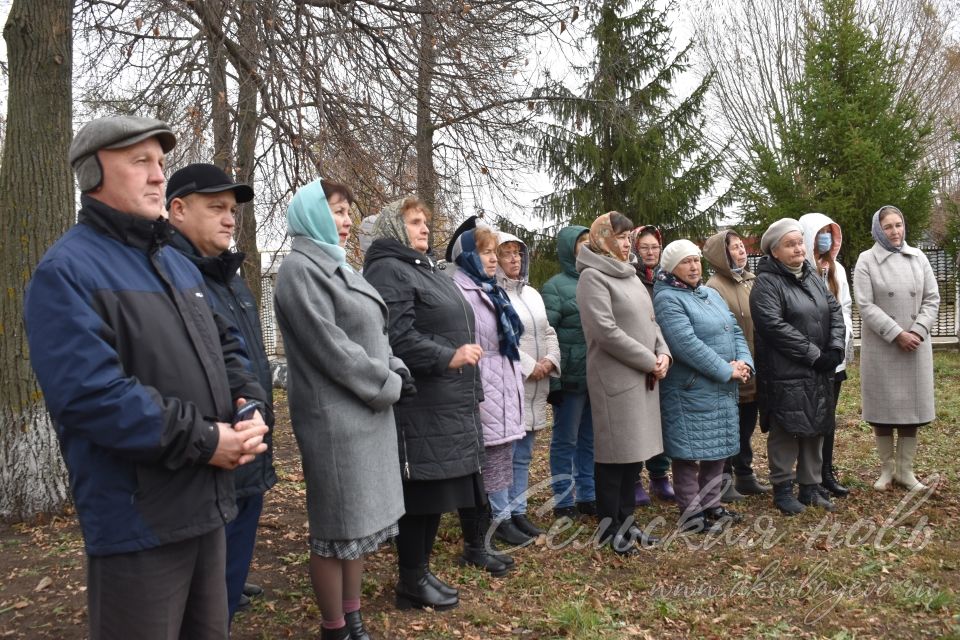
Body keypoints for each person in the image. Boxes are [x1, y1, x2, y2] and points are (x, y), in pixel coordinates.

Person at [24, 116, 269, 639]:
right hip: (138, 523)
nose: (159, 176)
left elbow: (227, 347)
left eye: (160, 162)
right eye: (140, 162)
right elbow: (92, 397)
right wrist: (205, 440)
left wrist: (247, 404)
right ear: (93, 174)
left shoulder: (176, 265)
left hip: (207, 505)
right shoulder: (66, 271)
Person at [274, 179, 408, 640]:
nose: (347, 220)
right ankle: (334, 627)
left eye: (350, 211)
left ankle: (353, 617)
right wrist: (386, 382)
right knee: (335, 531)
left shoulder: (340, 266)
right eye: (336, 210)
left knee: (359, 529)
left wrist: (395, 364)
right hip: (336, 420)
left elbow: (373, 330)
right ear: (311, 214)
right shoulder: (299, 270)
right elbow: (332, 348)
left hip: (366, 414)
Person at [166, 162, 278, 620]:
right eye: (216, 207)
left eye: (232, 209)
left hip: (249, 451)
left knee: (225, 586)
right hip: (209, 459)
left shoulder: (228, 276)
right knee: (201, 605)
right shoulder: (170, 276)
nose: (230, 218)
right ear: (177, 209)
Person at [363, 197, 487, 608]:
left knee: (435, 493)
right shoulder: (388, 269)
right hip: (422, 401)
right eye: (414, 222)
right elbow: (394, 336)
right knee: (422, 495)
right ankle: (411, 581)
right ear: (394, 229)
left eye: (425, 223)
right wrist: (446, 356)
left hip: (448, 399)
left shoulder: (423, 267)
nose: (424, 229)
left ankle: (419, 574)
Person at [576, 211, 671, 554]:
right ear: (602, 237)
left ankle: (628, 523)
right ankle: (609, 527)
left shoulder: (628, 273)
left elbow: (651, 321)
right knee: (613, 456)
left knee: (633, 455)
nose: (626, 242)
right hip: (615, 378)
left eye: (628, 235)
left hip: (643, 375)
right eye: (619, 236)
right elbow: (606, 332)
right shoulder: (593, 277)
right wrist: (649, 359)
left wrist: (663, 354)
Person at [654, 240, 754, 533]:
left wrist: (744, 362)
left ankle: (712, 505)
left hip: (721, 386)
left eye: (696, 260)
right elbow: (685, 344)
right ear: (672, 267)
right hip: (690, 388)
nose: (694, 266)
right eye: (686, 262)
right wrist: (727, 370)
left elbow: (734, 329)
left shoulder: (709, 294)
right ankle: (691, 512)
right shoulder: (668, 298)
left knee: (717, 450)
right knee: (688, 454)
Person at [750, 218, 846, 515]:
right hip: (785, 372)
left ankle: (810, 487)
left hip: (817, 369)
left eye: (799, 242)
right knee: (786, 429)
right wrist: (813, 354)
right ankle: (782, 488)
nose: (798, 249)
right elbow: (774, 327)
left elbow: (835, 310)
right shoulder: (766, 283)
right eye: (789, 245)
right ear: (774, 252)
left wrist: (835, 348)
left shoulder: (812, 276)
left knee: (816, 424)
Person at [449, 227, 528, 548]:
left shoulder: (490, 288)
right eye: (485, 252)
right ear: (467, 255)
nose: (494, 258)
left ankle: (503, 517)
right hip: (482, 381)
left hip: (503, 378)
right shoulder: (461, 291)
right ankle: (493, 522)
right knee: (489, 457)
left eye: (495, 251)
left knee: (503, 455)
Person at [853, 205, 940, 492]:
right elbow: (864, 304)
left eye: (898, 224)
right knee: (883, 408)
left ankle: (906, 470)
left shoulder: (919, 257)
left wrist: (917, 330)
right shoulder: (867, 260)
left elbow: (932, 298)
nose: (895, 231)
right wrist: (896, 333)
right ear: (879, 229)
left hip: (915, 345)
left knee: (910, 410)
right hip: (883, 346)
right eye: (888, 226)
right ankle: (886, 469)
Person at [496, 232, 561, 539]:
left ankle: (519, 511)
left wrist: (550, 360)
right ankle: (502, 516)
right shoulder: (493, 295)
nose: (514, 259)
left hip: (538, 384)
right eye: (506, 253)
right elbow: (500, 336)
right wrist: (528, 365)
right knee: (506, 454)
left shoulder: (532, 294)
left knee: (524, 453)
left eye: (518, 253)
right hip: (515, 383)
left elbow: (548, 330)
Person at [702, 229, 771, 499]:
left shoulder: (751, 281)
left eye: (742, 246)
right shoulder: (714, 287)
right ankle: (724, 479)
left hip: (755, 365)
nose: (741, 250)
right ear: (722, 254)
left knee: (747, 423)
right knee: (729, 426)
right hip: (731, 367)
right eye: (734, 247)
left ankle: (745, 474)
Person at [541, 226, 597, 519]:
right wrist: (555, 380)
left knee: (590, 439)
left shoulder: (598, 280)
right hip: (571, 378)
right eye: (581, 243)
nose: (586, 247)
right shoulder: (554, 287)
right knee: (566, 439)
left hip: (597, 377)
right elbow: (546, 332)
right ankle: (563, 500)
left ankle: (588, 494)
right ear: (568, 249)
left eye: (590, 242)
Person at [799, 213, 854, 499]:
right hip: (810, 357)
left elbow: (843, 308)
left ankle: (826, 472)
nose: (825, 238)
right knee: (811, 416)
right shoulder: (799, 270)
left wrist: (836, 344)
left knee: (828, 417)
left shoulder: (838, 269)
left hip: (834, 356)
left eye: (829, 233)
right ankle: (808, 476)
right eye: (819, 233)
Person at [630, 225, 676, 504]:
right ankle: (634, 477)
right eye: (644, 247)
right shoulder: (629, 278)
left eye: (655, 247)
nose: (650, 252)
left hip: (666, 355)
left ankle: (660, 476)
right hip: (638, 357)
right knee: (638, 421)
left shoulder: (668, 278)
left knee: (663, 419)